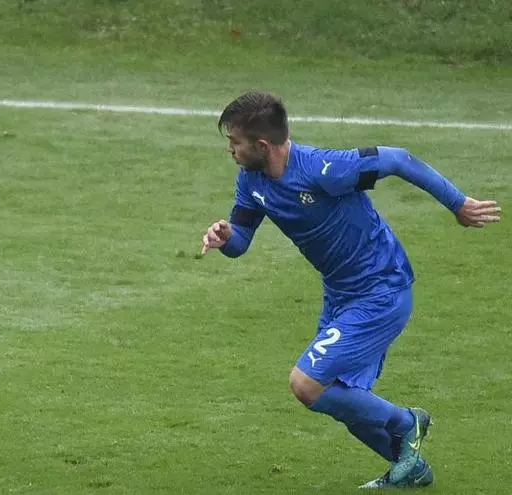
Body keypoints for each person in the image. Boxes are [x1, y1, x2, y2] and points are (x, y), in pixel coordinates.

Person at [200, 91, 500, 488]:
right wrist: (225, 237)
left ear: (262, 145)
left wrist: (458, 204)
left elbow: (397, 159)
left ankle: (408, 421)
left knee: (306, 384)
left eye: (235, 142)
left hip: (382, 289)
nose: (230, 150)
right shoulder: (252, 180)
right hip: (341, 296)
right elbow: (240, 241)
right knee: (344, 397)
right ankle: (409, 469)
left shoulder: (324, 170)